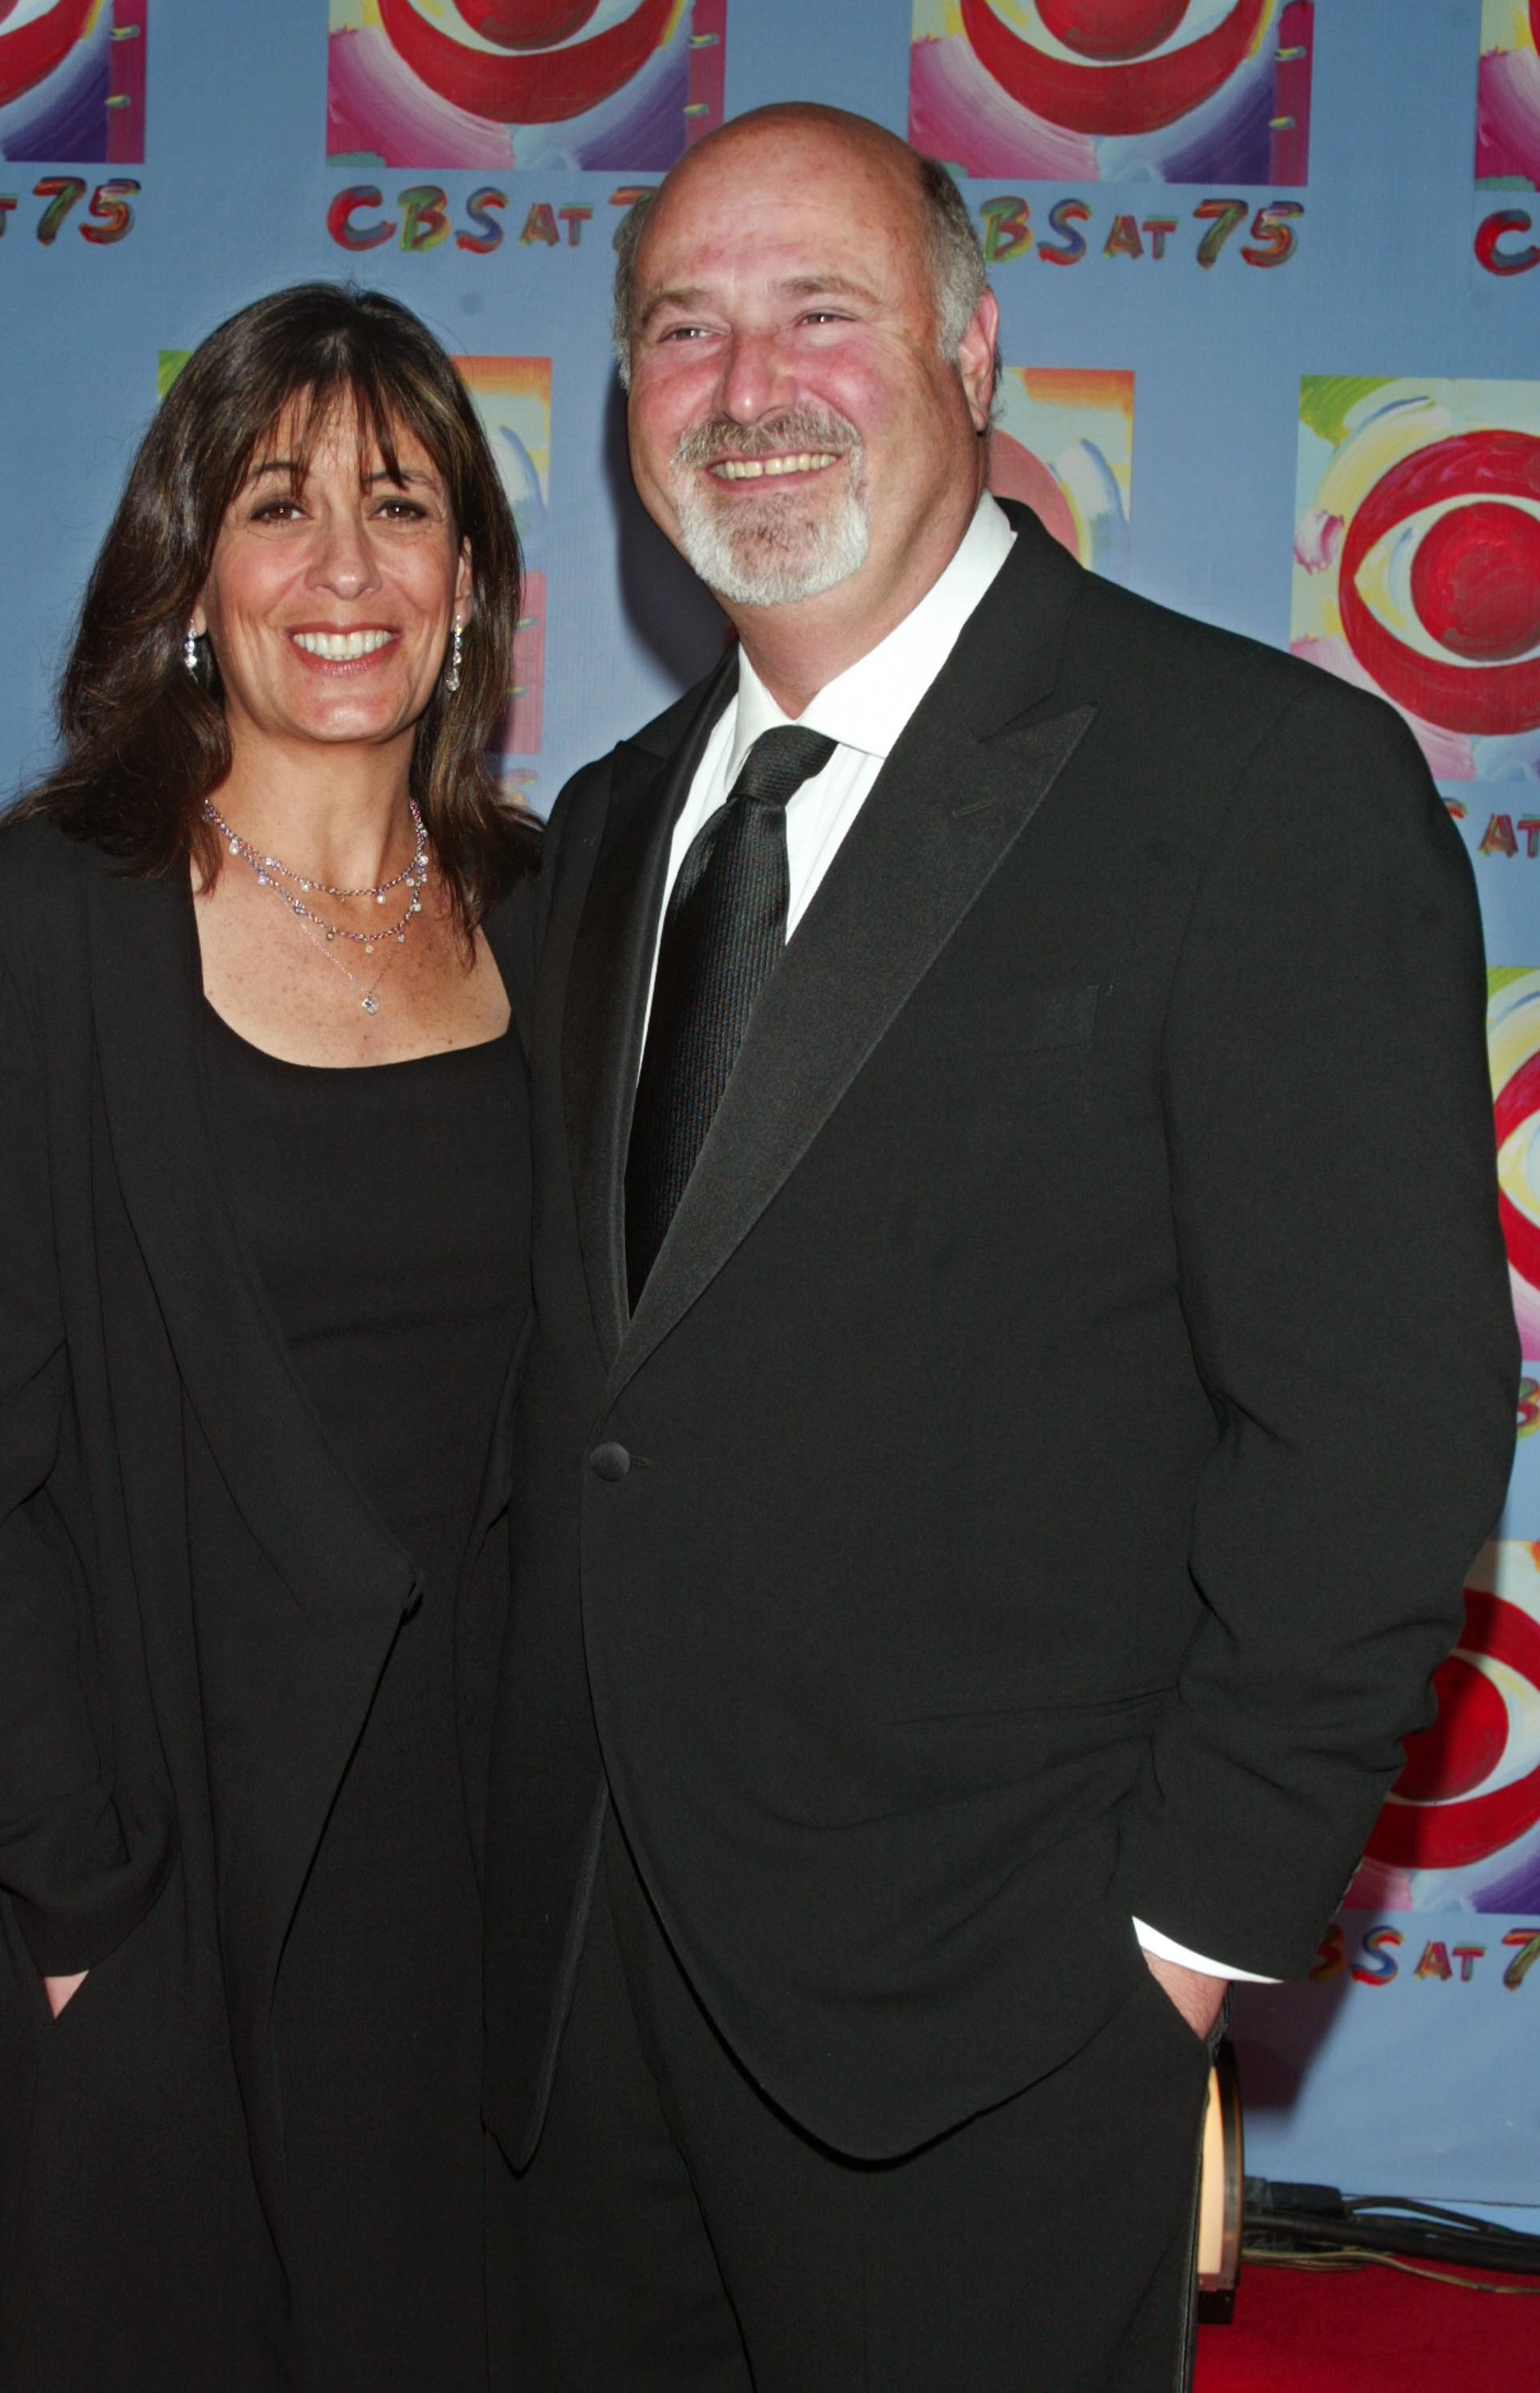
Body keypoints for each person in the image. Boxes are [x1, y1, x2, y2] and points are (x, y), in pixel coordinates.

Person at [479, 104, 1517, 2391]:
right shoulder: (604, 834)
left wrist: (1176, 1928)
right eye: (681, 328)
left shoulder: (1251, 782)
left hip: (985, 2010)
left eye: (817, 314)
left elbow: (1381, 1425)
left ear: (972, 352)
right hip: (576, 1986)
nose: (745, 387)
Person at [0, 282, 536, 2393]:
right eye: (276, 504)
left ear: (472, 586)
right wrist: (82, 1920)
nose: (342, 567)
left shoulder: (563, 919)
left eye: (399, 507)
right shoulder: (20, 938)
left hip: (479, 1906)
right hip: (148, 1885)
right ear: (184, 576)